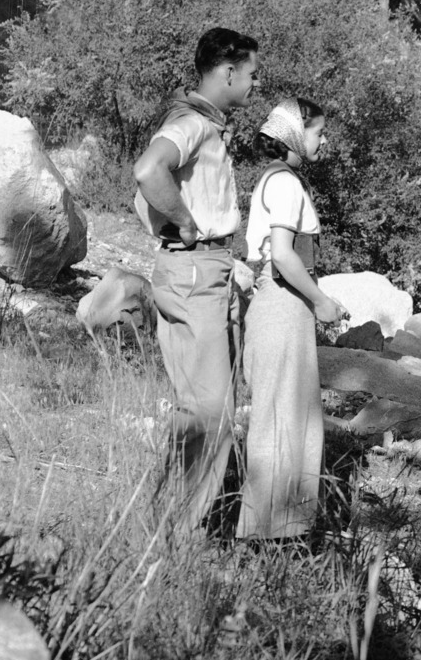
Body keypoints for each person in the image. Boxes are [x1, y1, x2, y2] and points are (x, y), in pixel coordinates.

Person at [133, 27, 258, 526]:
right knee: (210, 415)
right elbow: (148, 171)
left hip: (205, 267)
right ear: (228, 72)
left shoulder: (204, 123)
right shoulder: (191, 123)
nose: (254, 83)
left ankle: (171, 526)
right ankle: (177, 537)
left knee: (204, 409)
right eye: (251, 73)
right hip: (194, 268)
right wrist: (185, 223)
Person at [240, 98, 347, 539]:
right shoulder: (284, 183)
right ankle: (267, 535)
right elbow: (282, 255)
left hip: (281, 306)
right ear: (294, 135)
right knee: (280, 417)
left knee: (287, 415)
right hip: (282, 305)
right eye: (318, 132)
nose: (323, 140)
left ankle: (281, 531)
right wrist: (320, 300)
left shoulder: (278, 180)